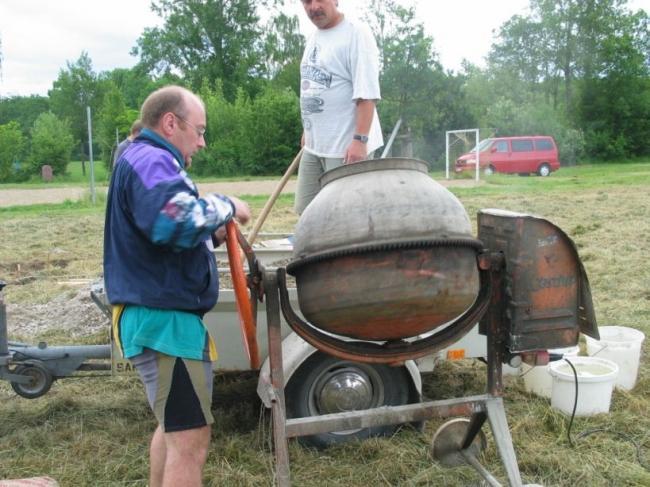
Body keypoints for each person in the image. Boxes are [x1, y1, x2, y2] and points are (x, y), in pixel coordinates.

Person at [103, 85, 251, 487]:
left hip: (157, 317)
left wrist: (213, 236)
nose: (202, 142)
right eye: (199, 130)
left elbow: (165, 233)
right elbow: (173, 221)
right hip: (164, 322)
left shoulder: (138, 158)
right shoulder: (152, 159)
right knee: (190, 440)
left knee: (173, 430)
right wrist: (227, 205)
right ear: (170, 123)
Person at [295, 0, 384, 214]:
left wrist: (360, 140)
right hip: (315, 146)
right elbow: (314, 86)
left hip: (346, 148)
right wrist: (308, 130)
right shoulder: (314, 37)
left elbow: (367, 93)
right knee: (306, 212)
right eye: (306, 1)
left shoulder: (356, 33)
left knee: (344, 217)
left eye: (319, 0)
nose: (313, 7)